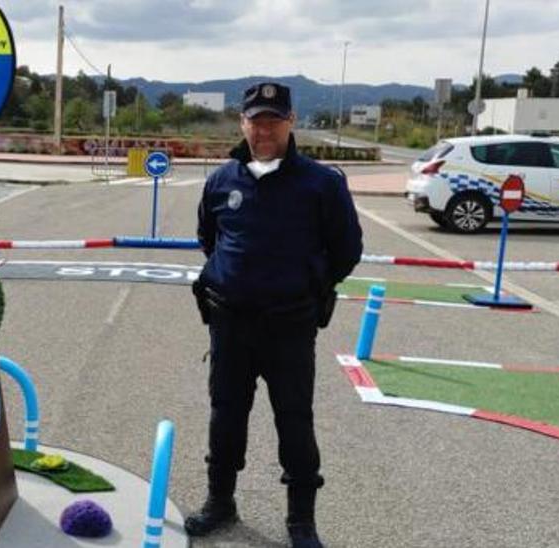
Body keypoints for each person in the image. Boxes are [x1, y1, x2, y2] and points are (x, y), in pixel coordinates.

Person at [186, 82, 363, 548]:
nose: (263, 129)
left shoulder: (322, 184)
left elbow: (347, 250)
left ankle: (301, 521)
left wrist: (306, 282)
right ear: (242, 123)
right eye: (255, 120)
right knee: (225, 416)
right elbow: (210, 237)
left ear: (290, 123)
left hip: (289, 326)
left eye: (273, 120)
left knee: (294, 421)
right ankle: (220, 501)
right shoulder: (221, 180)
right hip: (230, 323)